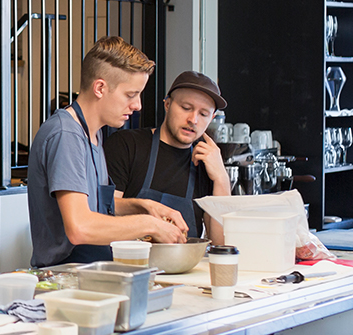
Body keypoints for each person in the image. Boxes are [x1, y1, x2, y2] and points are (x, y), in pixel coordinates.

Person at [28, 36, 188, 268]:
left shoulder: (94, 133)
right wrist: (150, 225)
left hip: (92, 270)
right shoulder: (66, 135)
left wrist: (144, 205)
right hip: (67, 276)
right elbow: (79, 228)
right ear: (100, 88)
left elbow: (95, 203)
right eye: (131, 95)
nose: (138, 105)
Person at [104, 71, 231, 245]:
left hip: (183, 268)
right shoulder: (127, 145)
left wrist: (221, 179)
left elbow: (220, 244)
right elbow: (105, 210)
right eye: (186, 108)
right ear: (168, 104)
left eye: (203, 114)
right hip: (129, 265)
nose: (193, 119)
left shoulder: (206, 165)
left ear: (212, 118)